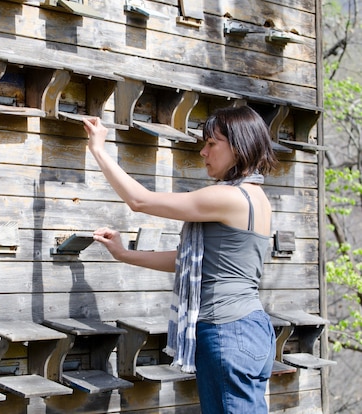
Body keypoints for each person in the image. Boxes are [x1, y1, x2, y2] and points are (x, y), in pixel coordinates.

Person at [83, 105, 278, 414]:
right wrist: (124, 254)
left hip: (228, 330)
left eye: (212, 144)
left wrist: (98, 149)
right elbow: (190, 261)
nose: (203, 152)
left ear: (239, 147)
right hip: (246, 328)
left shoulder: (230, 197)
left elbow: (140, 200)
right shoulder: (254, 197)